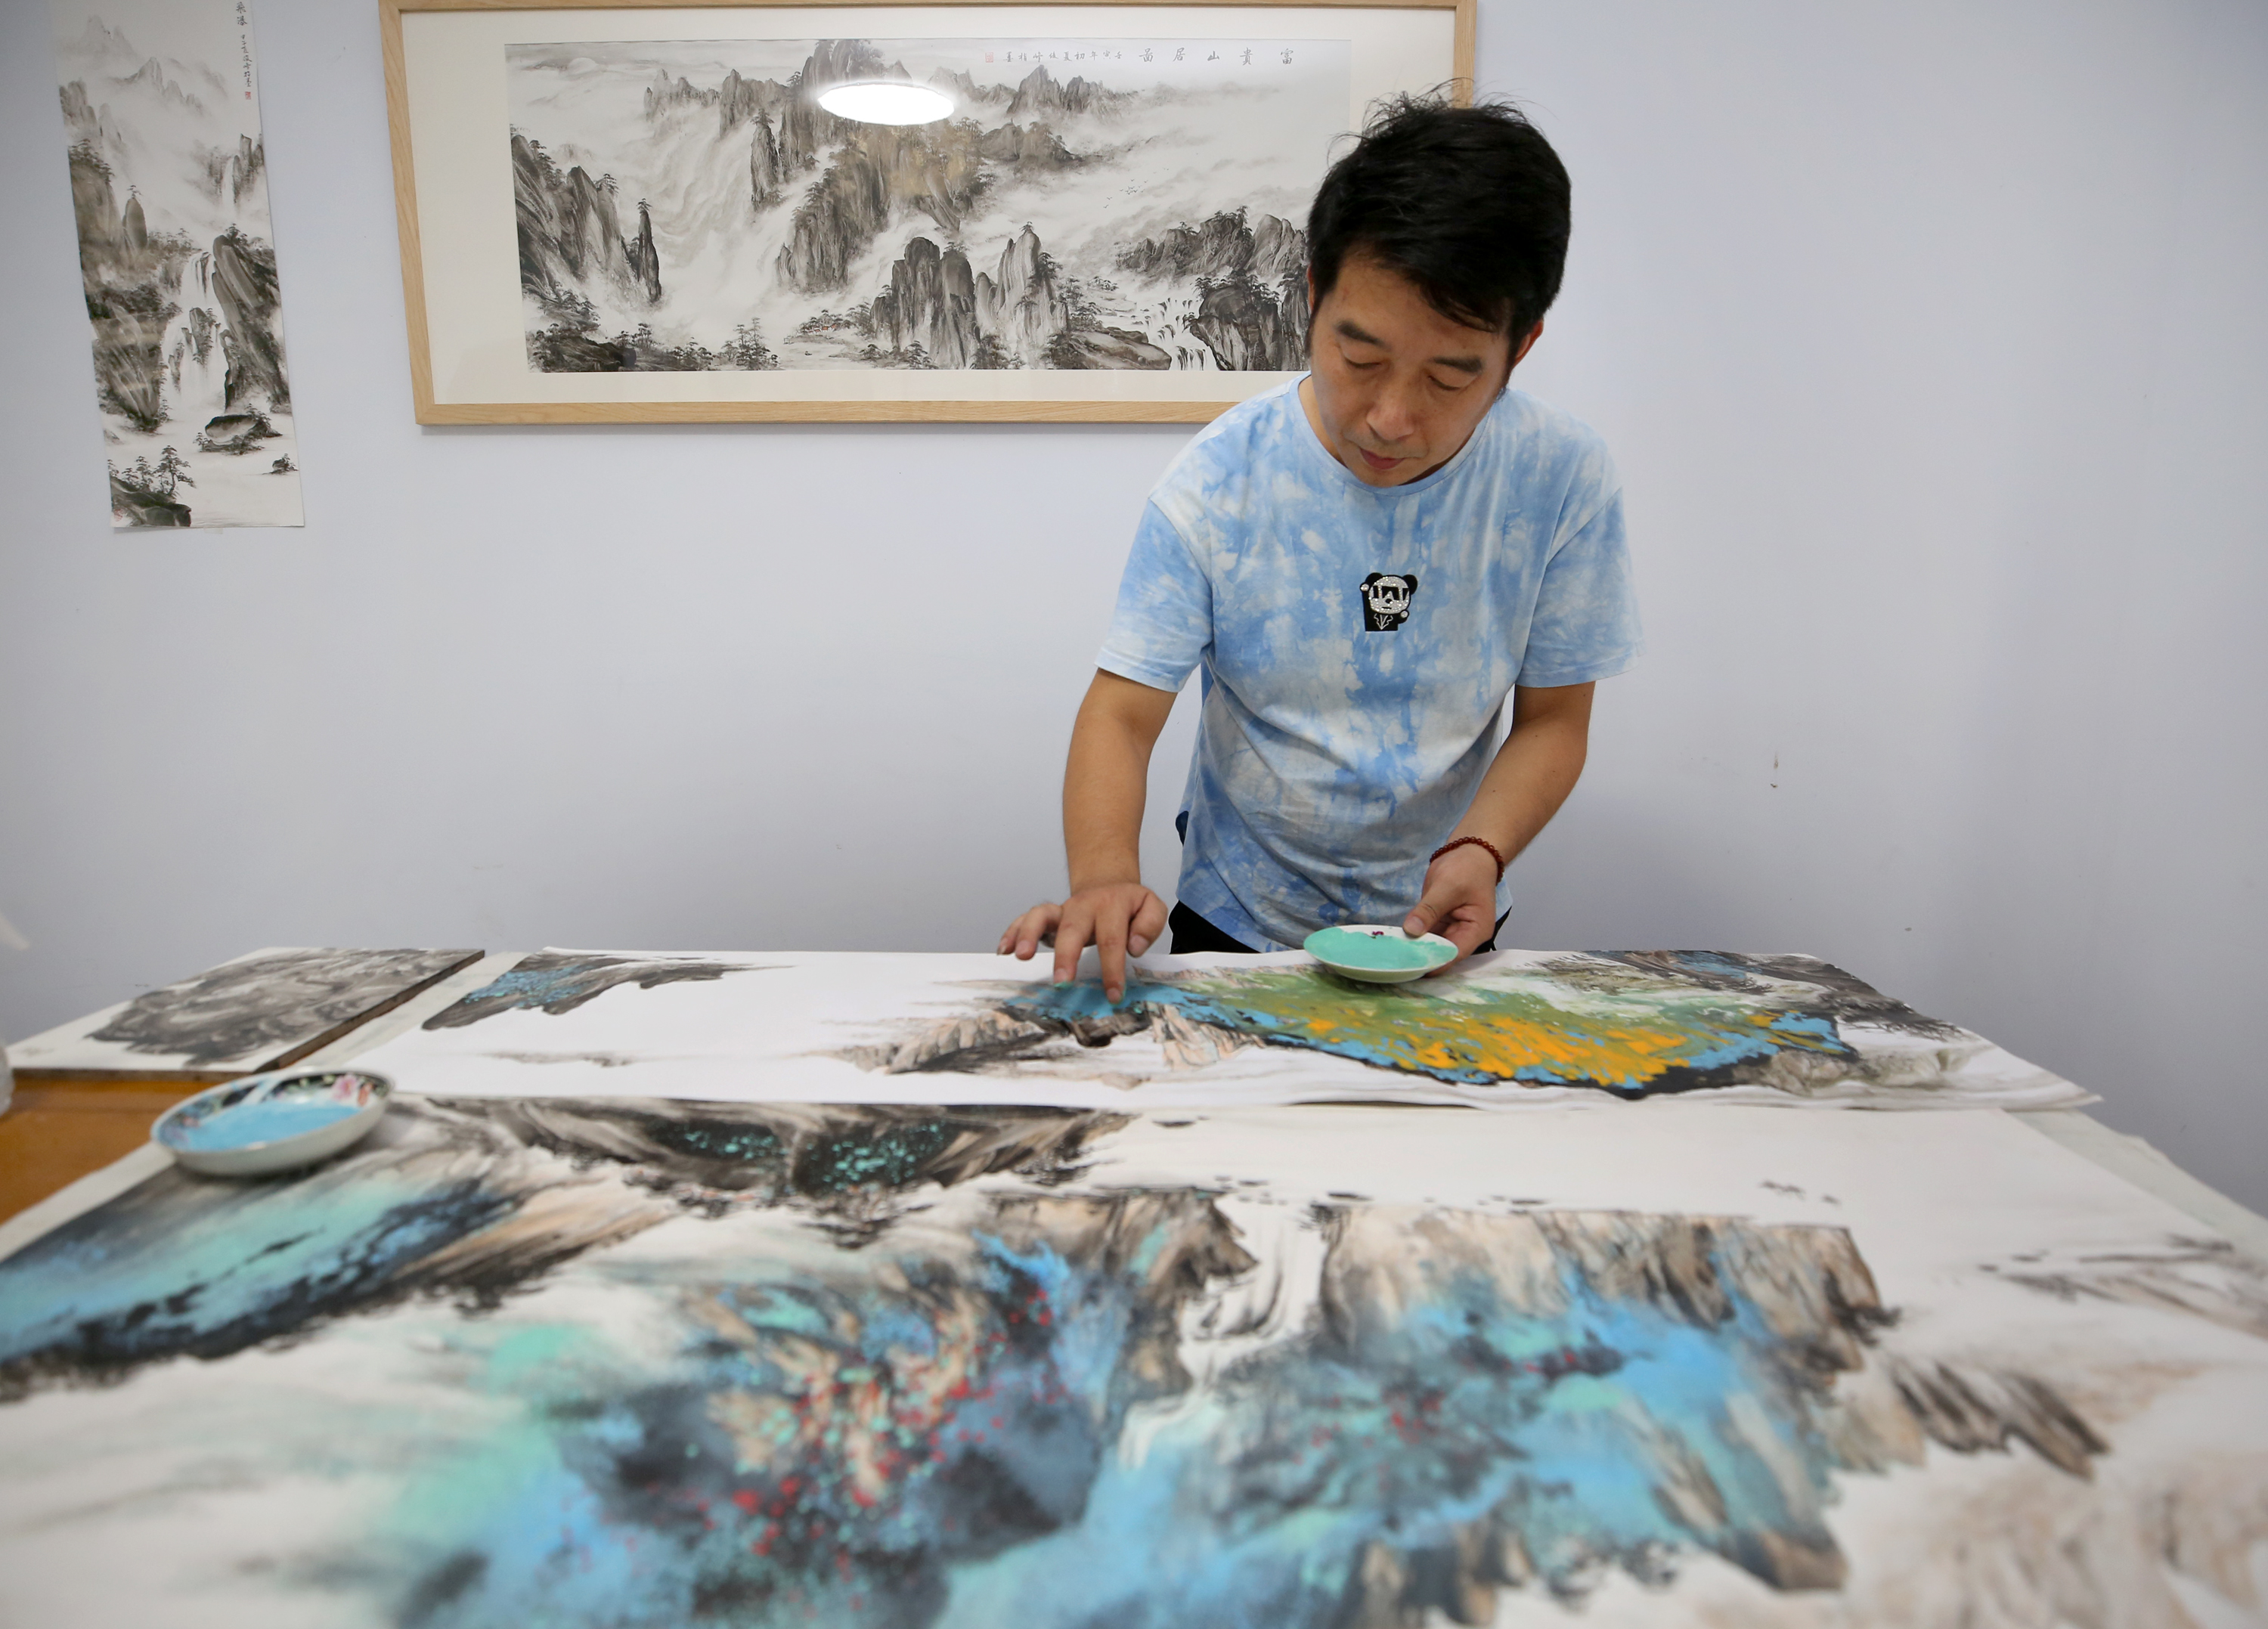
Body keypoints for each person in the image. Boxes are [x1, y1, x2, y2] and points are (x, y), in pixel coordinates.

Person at [999, 93, 1643, 1001]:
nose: (1391, 418)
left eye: (1449, 377)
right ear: (1311, 296)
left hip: (1442, 919)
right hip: (1235, 919)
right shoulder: (1218, 481)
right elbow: (1121, 712)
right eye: (1361, 359)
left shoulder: (1561, 479)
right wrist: (1103, 874)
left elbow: (1554, 721)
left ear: (1521, 346)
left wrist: (1481, 847)